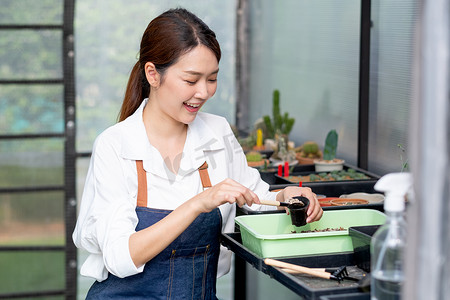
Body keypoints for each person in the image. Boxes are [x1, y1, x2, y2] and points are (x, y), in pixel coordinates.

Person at [73, 7, 323, 299]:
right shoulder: (115, 145)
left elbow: (256, 198)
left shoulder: (217, 133)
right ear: (152, 74)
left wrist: (287, 197)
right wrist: (198, 203)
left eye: (212, 79)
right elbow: (120, 257)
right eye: (191, 80)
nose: (203, 92)